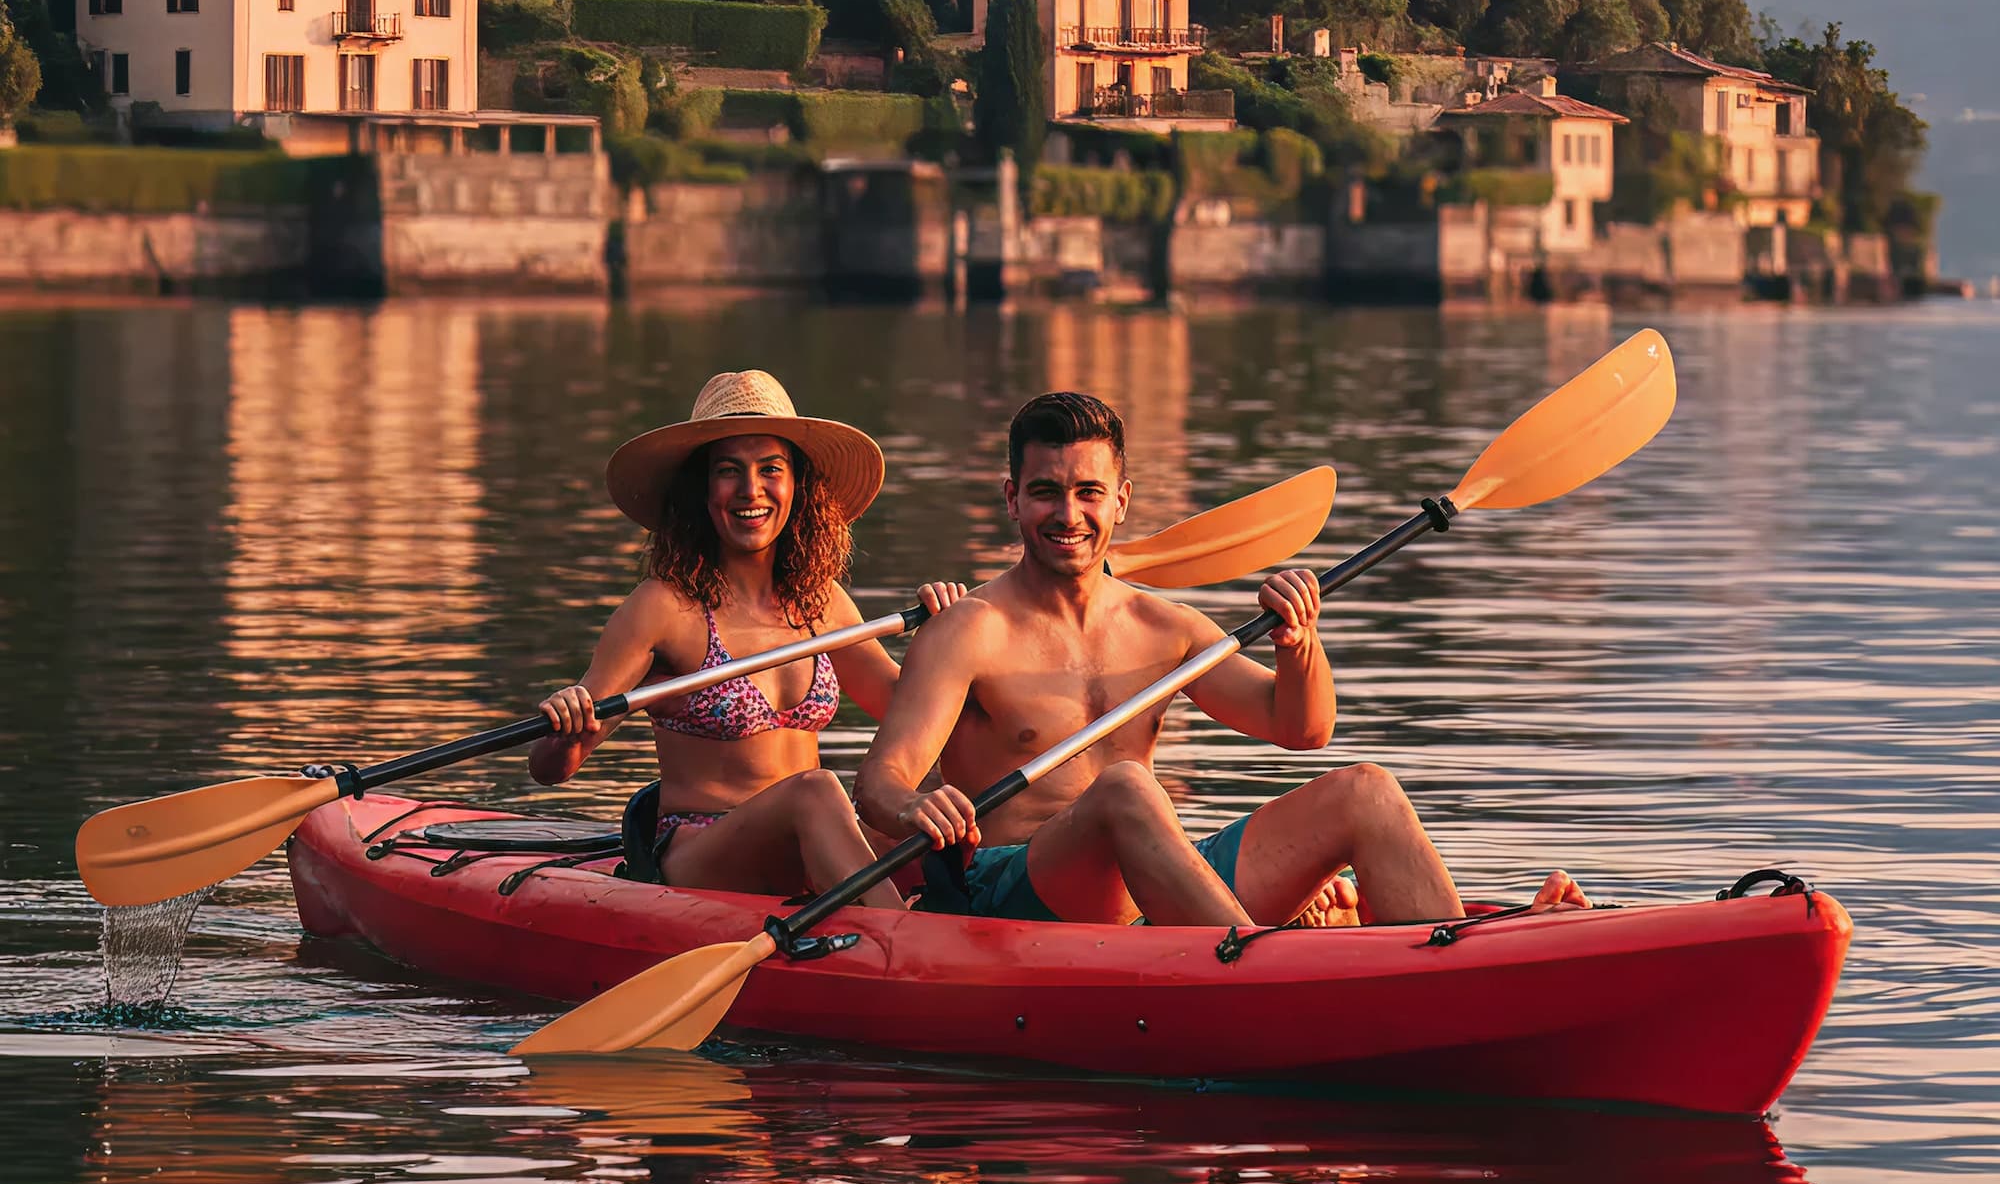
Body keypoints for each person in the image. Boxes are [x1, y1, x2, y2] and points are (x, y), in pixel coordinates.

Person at [857, 387, 1586, 931]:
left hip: (1147, 886)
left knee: (1366, 789)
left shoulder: (1162, 624)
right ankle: (1257, 966)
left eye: (1088, 493)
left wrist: (1298, 646)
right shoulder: (970, 629)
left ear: (1122, 503)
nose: (1068, 515)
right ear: (1013, 501)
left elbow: (1300, 729)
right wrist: (918, 804)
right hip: (1011, 891)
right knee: (1126, 790)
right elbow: (879, 783)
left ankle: (1456, 957)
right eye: (1045, 493)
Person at [531, 369, 962, 900]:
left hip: (806, 837)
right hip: (700, 851)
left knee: (939, 807)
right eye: (728, 471)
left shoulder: (820, 601)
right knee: (816, 792)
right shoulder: (663, 607)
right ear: (701, 489)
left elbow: (913, 713)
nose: (750, 490)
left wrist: (946, 642)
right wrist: (568, 723)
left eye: (770, 469)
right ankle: (905, 950)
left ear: (796, 484)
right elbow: (552, 768)